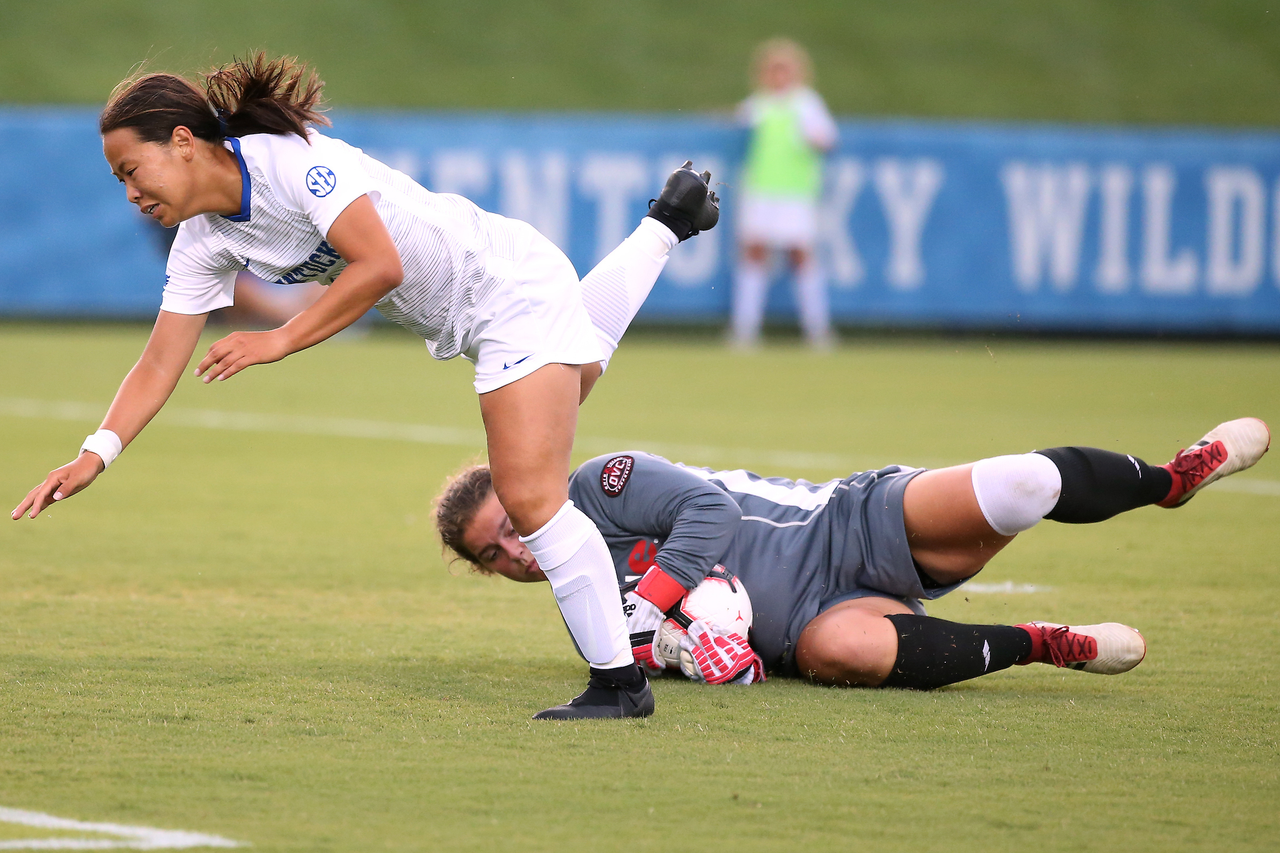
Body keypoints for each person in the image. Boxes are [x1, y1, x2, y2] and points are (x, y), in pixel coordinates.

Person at [10, 53, 721, 721]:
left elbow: (377, 263)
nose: (131, 193)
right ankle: (666, 224)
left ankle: (618, 684)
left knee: (529, 495)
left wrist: (279, 339)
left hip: (504, 289)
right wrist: (94, 452)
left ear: (183, 140)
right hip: (491, 302)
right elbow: (158, 363)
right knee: (579, 368)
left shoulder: (288, 164)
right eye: (119, 181)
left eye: (133, 170)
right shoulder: (206, 241)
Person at [435, 418, 1270, 689]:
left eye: (510, 522)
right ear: (495, 573)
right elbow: (652, 656)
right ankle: (1043, 642)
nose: (520, 549)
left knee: (1021, 486)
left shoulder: (599, 482)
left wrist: (652, 601)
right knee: (852, 655)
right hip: (807, 619)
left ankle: (1171, 479)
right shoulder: (582, 596)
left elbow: (709, 510)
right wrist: (691, 653)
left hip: (845, 523)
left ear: (526, 480)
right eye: (499, 554)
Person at [731, 38, 838, 350]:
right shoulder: (759, 104)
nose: (778, 76)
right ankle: (744, 329)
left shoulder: (807, 104)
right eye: (772, 70)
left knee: (800, 254)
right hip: (761, 190)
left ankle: (818, 329)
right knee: (753, 252)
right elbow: (736, 119)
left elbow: (827, 139)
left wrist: (815, 139)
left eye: (784, 70)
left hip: (794, 193)